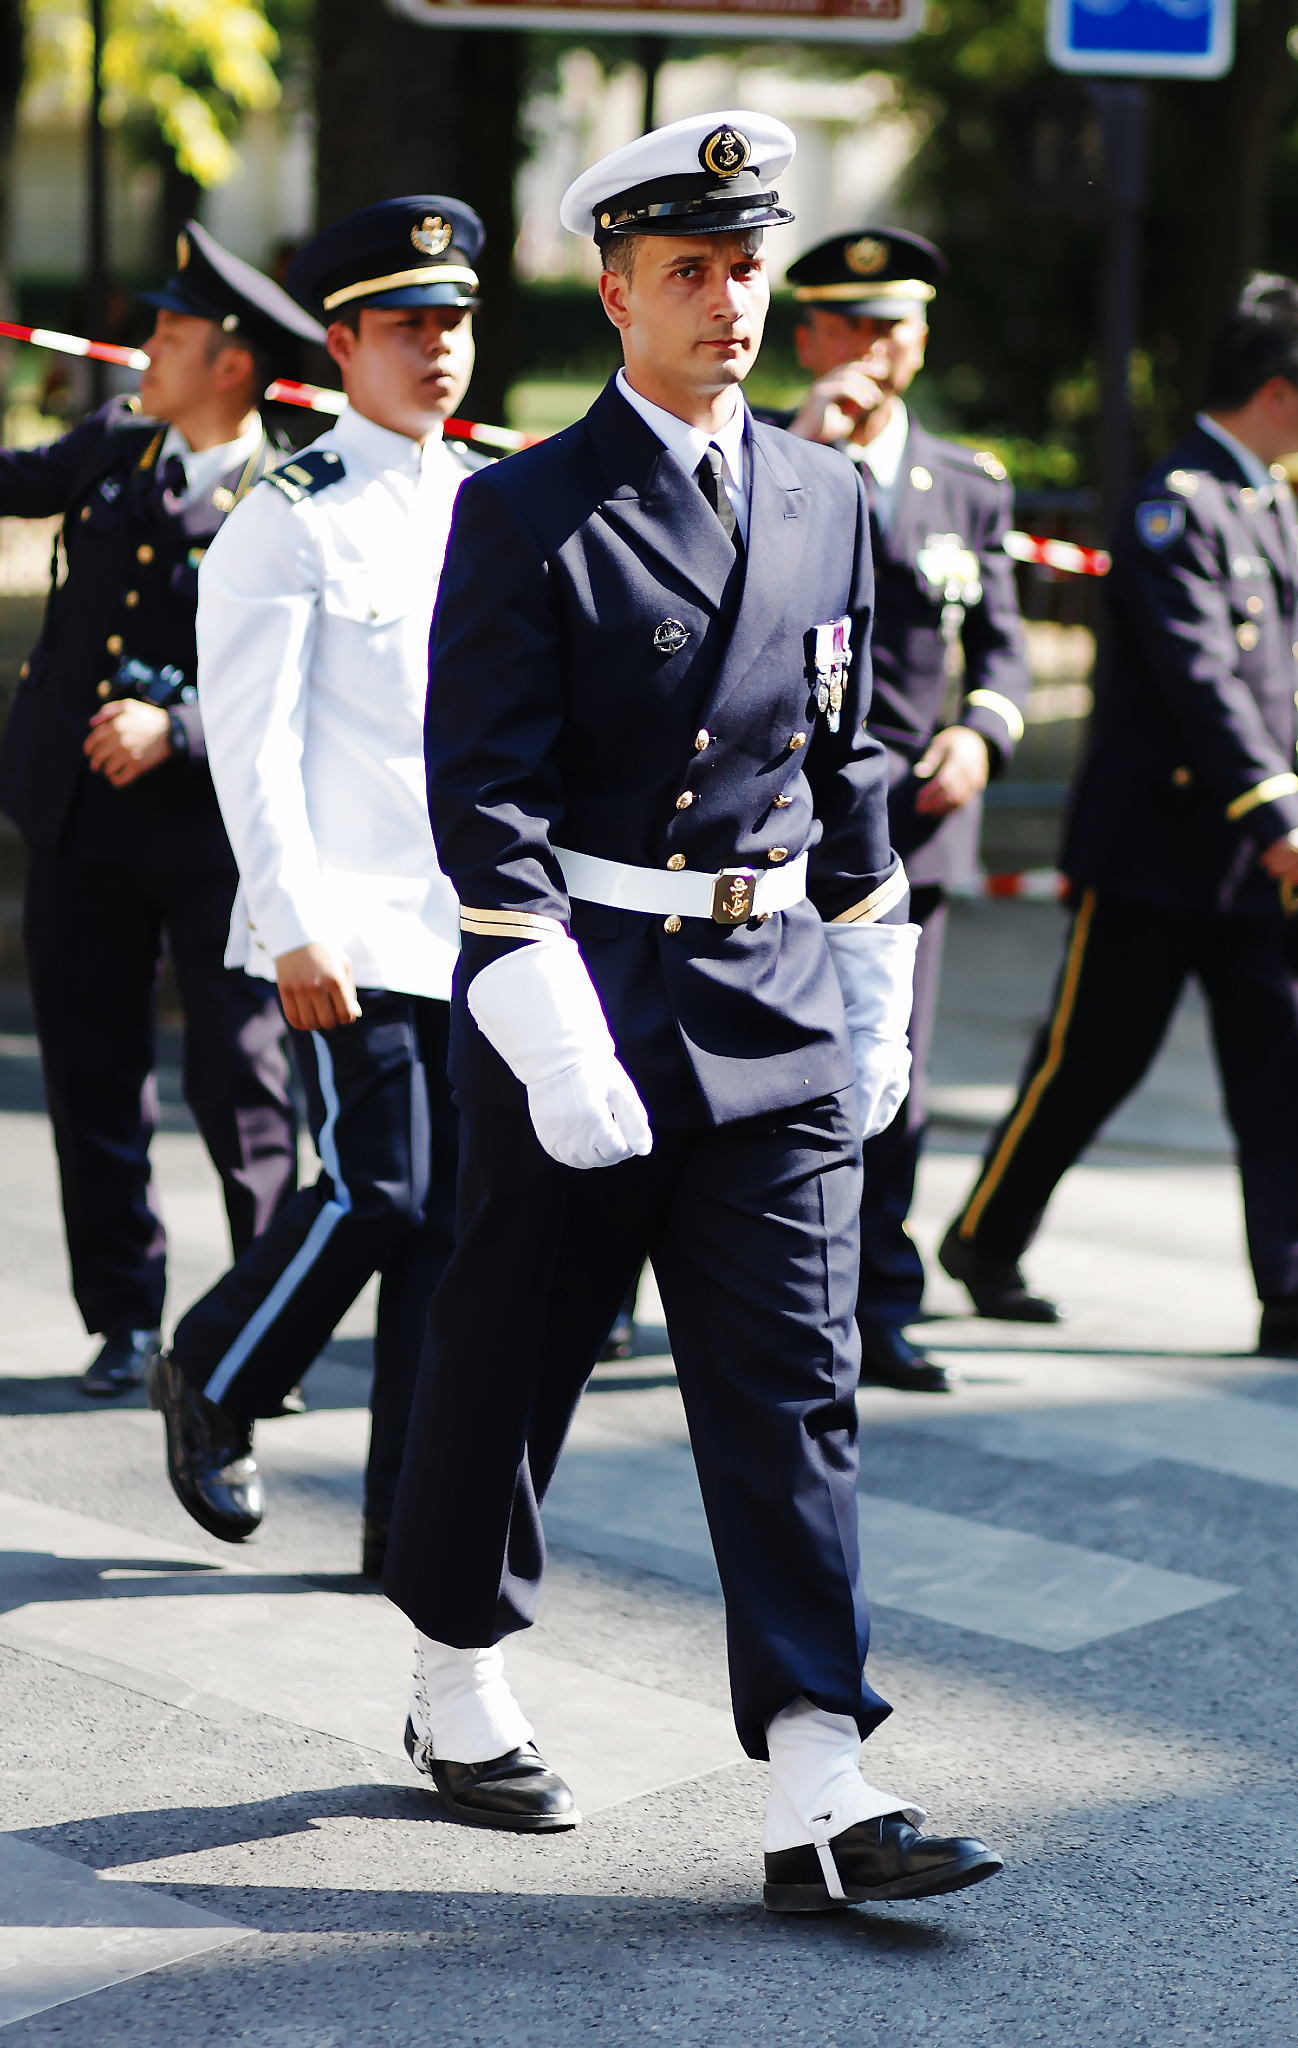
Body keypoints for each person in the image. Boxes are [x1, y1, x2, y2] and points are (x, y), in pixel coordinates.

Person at [384, 113, 1004, 1914]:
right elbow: (482, 793)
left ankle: (820, 1769)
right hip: (586, 984)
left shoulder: (832, 497)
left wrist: (874, 962)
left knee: (795, 1387)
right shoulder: (525, 508)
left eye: (749, 268)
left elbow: (855, 751)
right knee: (511, 1353)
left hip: (774, 993)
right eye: (692, 272)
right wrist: (541, 1005)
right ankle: (452, 1667)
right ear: (616, 291)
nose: (731, 303)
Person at [147, 196, 486, 1576]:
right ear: (342, 346)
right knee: (378, 1193)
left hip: (477, 926)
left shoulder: (487, 501)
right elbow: (255, 743)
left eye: (454, 323)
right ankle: (216, 1372)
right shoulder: (288, 520)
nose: (438, 349)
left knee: (450, 1234)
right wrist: (291, 923)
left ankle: (405, 1524)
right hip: (344, 925)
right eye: (407, 327)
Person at [941, 274, 1298, 1363]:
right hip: (1159, 856)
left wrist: (1284, 821)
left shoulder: (1262, 495)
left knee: (1285, 1068)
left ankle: (1297, 1283)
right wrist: (1279, 808)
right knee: (1090, 1062)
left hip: (1258, 865)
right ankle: (987, 1239)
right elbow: (1202, 681)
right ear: (1279, 390)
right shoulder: (1172, 501)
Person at [0, 224, 322, 1398]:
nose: (145, 349)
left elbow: (311, 678)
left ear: (229, 363)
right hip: (79, 825)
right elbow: (10, 480)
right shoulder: (113, 447)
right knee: (94, 1078)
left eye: (170, 335)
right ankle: (123, 1316)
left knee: (243, 1089)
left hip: (212, 841)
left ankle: (264, 1329)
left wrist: (176, 729)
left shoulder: (290, 492)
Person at [782, 229, 1032, 1390]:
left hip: (909, 831)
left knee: (899, 1075)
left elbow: (1007, 648)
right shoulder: (764, 458)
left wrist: (981, 732)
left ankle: (879, 1299)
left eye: (900, 323)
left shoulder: (969, 484)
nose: (881, 346)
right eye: (856, 323)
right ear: (809, 338)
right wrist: (797, 448)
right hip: (776, 821)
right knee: (754, 1060)